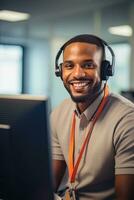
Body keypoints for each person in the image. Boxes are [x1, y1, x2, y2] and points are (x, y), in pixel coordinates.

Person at [50, 34, 134, 200]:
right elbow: (48, 183)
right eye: (69, 66)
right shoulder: (59, 112)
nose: (77, 74)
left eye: (88, 65)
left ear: (105, 71)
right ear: (60, 71)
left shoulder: (128, 119)